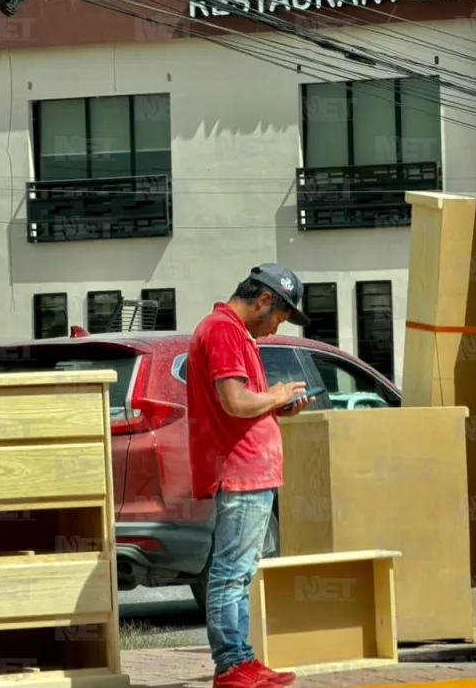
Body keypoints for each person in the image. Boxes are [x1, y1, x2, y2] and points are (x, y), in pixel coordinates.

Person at [186, 264, 314, 688]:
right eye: (280, 317)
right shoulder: (223, 330)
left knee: (238, 572)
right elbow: (235, 402)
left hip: (250, 471)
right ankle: (232, 666)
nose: (277, 328)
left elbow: (243, 405)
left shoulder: (232, 332)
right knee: (231, 573)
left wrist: (277, 406)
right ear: (263, 300)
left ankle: (241, 660)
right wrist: (275, 395)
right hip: (242, 472)